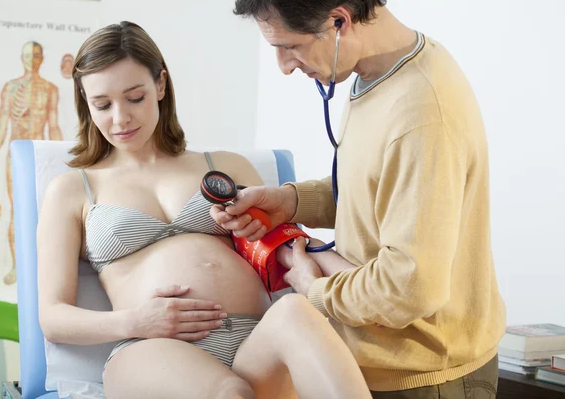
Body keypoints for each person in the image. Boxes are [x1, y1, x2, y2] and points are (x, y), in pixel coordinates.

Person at [36, 21, 371, 399]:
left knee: (296, 313)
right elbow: (53, 316)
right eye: (102, 104)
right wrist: (137, 320)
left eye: (134, 98)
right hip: (151, 349)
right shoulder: (72, 190)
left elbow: (286, 244)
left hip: (253, 342)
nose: (120, 118)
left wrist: (358, 283)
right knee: (230, 393)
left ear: (160, 85)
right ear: (85, 101)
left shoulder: (225, 165)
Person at [211, 0, 506, 397]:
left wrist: (312, 289)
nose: (284, 65)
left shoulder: (421, 110)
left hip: (424, 379)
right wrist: (288, 201)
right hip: (370, 364)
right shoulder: (375, 77)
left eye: (290, 46)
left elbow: (409, 288)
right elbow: (376, 190)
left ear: (340, 20)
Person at [0, 41, 63, 285]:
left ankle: (44, 270)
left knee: (49, 212)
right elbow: (1, 125)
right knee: (18, 212)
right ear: (21, 57)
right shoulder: (11, 88)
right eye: (27, 55)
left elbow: (54, 126)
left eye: (36, 54)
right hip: (17, 154)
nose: (31, 59)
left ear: (42, 58)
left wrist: (63, 160)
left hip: (42, 153)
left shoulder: (50, 89)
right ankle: (17, 266)